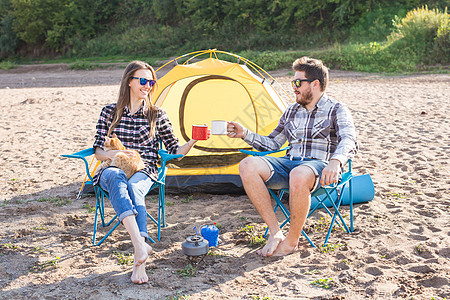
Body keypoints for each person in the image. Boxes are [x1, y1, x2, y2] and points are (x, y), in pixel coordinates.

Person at [227, 56, 358, 257]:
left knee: (298, 174)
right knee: (247, 165)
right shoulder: (291, 111)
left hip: (320, 167)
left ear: (315, 84)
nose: (294, 87)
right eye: (293, 82)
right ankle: (275, 232)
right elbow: (272, 143)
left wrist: (336, 161)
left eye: (298, 82)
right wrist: (244, 133)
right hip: (289, 164)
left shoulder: (336, 109)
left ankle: (292, 241)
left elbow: (349, 140)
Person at [92, 61, 199, 284]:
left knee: (132, 187)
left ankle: (138, 259)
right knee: (115, 176)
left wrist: (193, 141)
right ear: (129, 82)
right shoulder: (109, 112)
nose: (148, 85)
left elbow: (174, 150)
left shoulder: (156, 114)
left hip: (145, 168)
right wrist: (117, 156)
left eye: (151, 81)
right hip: (112, 167)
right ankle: (140, 246)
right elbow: (99, 152)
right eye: (143, 80)